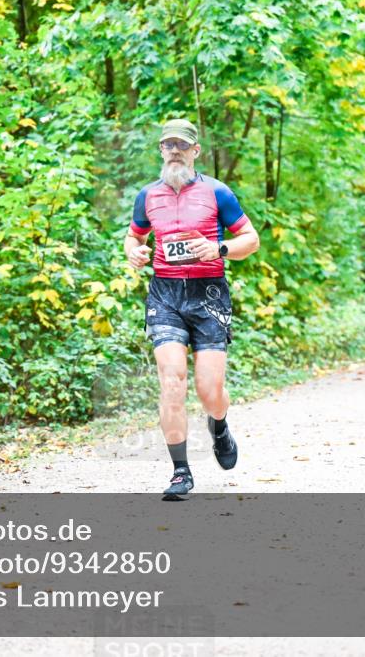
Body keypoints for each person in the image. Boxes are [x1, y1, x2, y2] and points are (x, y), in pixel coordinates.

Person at [125, 119, 260, 500]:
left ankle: (219, 425)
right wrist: (133, 252)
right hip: (165, 294)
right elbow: (134, 236)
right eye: (168, 145)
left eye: (182, 146)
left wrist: (219, 249)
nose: (175, 151)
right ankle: (180, 472)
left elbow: (251, 239)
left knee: (209, 390)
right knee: (171, 381)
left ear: (196, 151)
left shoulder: (218, 193)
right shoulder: (147, 196)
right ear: (160, 151)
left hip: (209, 294)